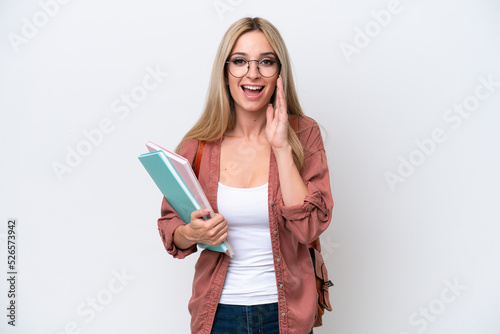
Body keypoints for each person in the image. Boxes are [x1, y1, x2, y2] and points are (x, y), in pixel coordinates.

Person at [157, 17, 333, 334]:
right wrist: (195, 234)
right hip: (217, 315)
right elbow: (172, 230)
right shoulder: (197, 146)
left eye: (266, 62)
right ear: (225, 72)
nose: (252, 73)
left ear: (279, 72)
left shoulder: (303, 135)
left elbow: (309, 227)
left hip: (286, 315)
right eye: (240, 61)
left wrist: (281, 148)